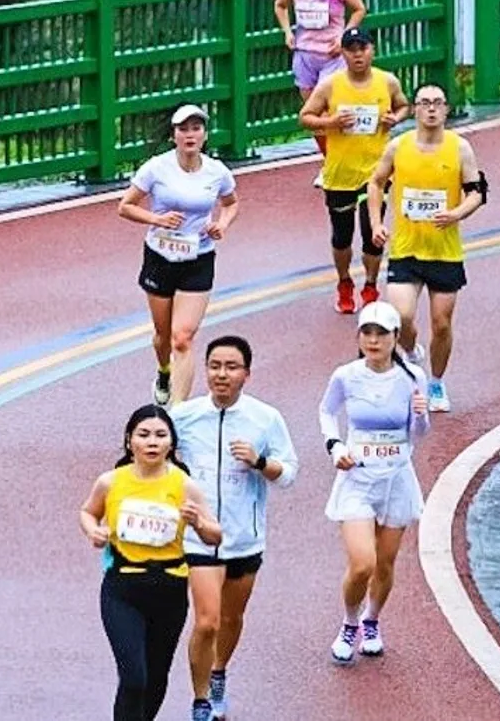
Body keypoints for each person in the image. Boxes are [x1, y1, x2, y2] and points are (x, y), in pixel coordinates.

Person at [171, 336, 299, 721]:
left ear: (246, 373)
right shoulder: (184, 417)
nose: (221, 374)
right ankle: (200, 700)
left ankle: (219, 672)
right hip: (197, 537)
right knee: (206, 620)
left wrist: (260, 463)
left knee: (230, 618)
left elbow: (289, 473)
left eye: (231, 367)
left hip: (244, 537)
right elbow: (153, 453)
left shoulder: (266, 418)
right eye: (214, 366)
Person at [81, 406, 224, 721]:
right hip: (122, 589)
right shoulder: (110, 482)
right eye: (143, 435)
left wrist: (198, 522)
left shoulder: (184, 484)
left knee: (156, 679)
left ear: (171, 443)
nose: (152, 442)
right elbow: (88, 511)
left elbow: (215, 535)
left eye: (160, 435)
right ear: (130, 440)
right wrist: (94, 530)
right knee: (134, 678)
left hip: (169, 591)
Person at [319, 301, 431, 663]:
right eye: (367, 332)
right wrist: (335, 446)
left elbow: (419, 434)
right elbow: (326, 411)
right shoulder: (346, 376)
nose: (373, 340)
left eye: (381, 333)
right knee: (362, 563)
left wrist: (420, 415)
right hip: (358, 477)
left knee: (385, 563)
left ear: (396, 337)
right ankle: (350, 622)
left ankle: (372, 619)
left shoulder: (412, 377)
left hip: (396, 477)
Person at [368, 85, 486, 412]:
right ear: (416, 110)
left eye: (437, 103)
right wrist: (377, 223)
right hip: (406, 249)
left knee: (442, 324)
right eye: (424, 103)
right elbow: (376, 182)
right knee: (401, 316)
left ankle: (435, 382)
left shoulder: (460, 149)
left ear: (446, 110)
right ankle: (410, 351)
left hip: (444, 252)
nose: (431, 109)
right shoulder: (398, 146)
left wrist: (457, 213)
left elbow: (476, 192)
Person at [117, 106, 241, 406]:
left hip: (198, 258)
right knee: (163, 336)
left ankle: (178, 412)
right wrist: (157, 220)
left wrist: (221, 224)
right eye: (183, 129)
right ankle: (163, 370)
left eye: (196, 128)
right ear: (174, 135)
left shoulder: (217, 171)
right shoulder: (156, 168)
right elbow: (125, 206)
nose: (190, 135)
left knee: (182, 337)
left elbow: (231, 203)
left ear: (204, 135)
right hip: (160, 255)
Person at [300, 27, 409, 313]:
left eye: (363, 48)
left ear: (372, 49)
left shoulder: (387, 82)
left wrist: (393, 118)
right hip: (340, 172)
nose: (358, 54)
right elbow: (306, 117)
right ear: (344, 53)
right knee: (342, 235)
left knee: (373, 232)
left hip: (376, 172)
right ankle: (344, 281)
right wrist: (331, 123)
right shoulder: (330, 85)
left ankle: (371, 285)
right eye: (351, 49)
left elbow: (403, 106)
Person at [275, 0, 368, 157]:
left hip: (332, 56)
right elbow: (280, 5)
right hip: (305, 55)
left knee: (334, 110)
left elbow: (359, 9)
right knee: (314, 114)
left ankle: (347, 156)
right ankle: (329, 161)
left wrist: (343, 38)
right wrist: (287, 32)